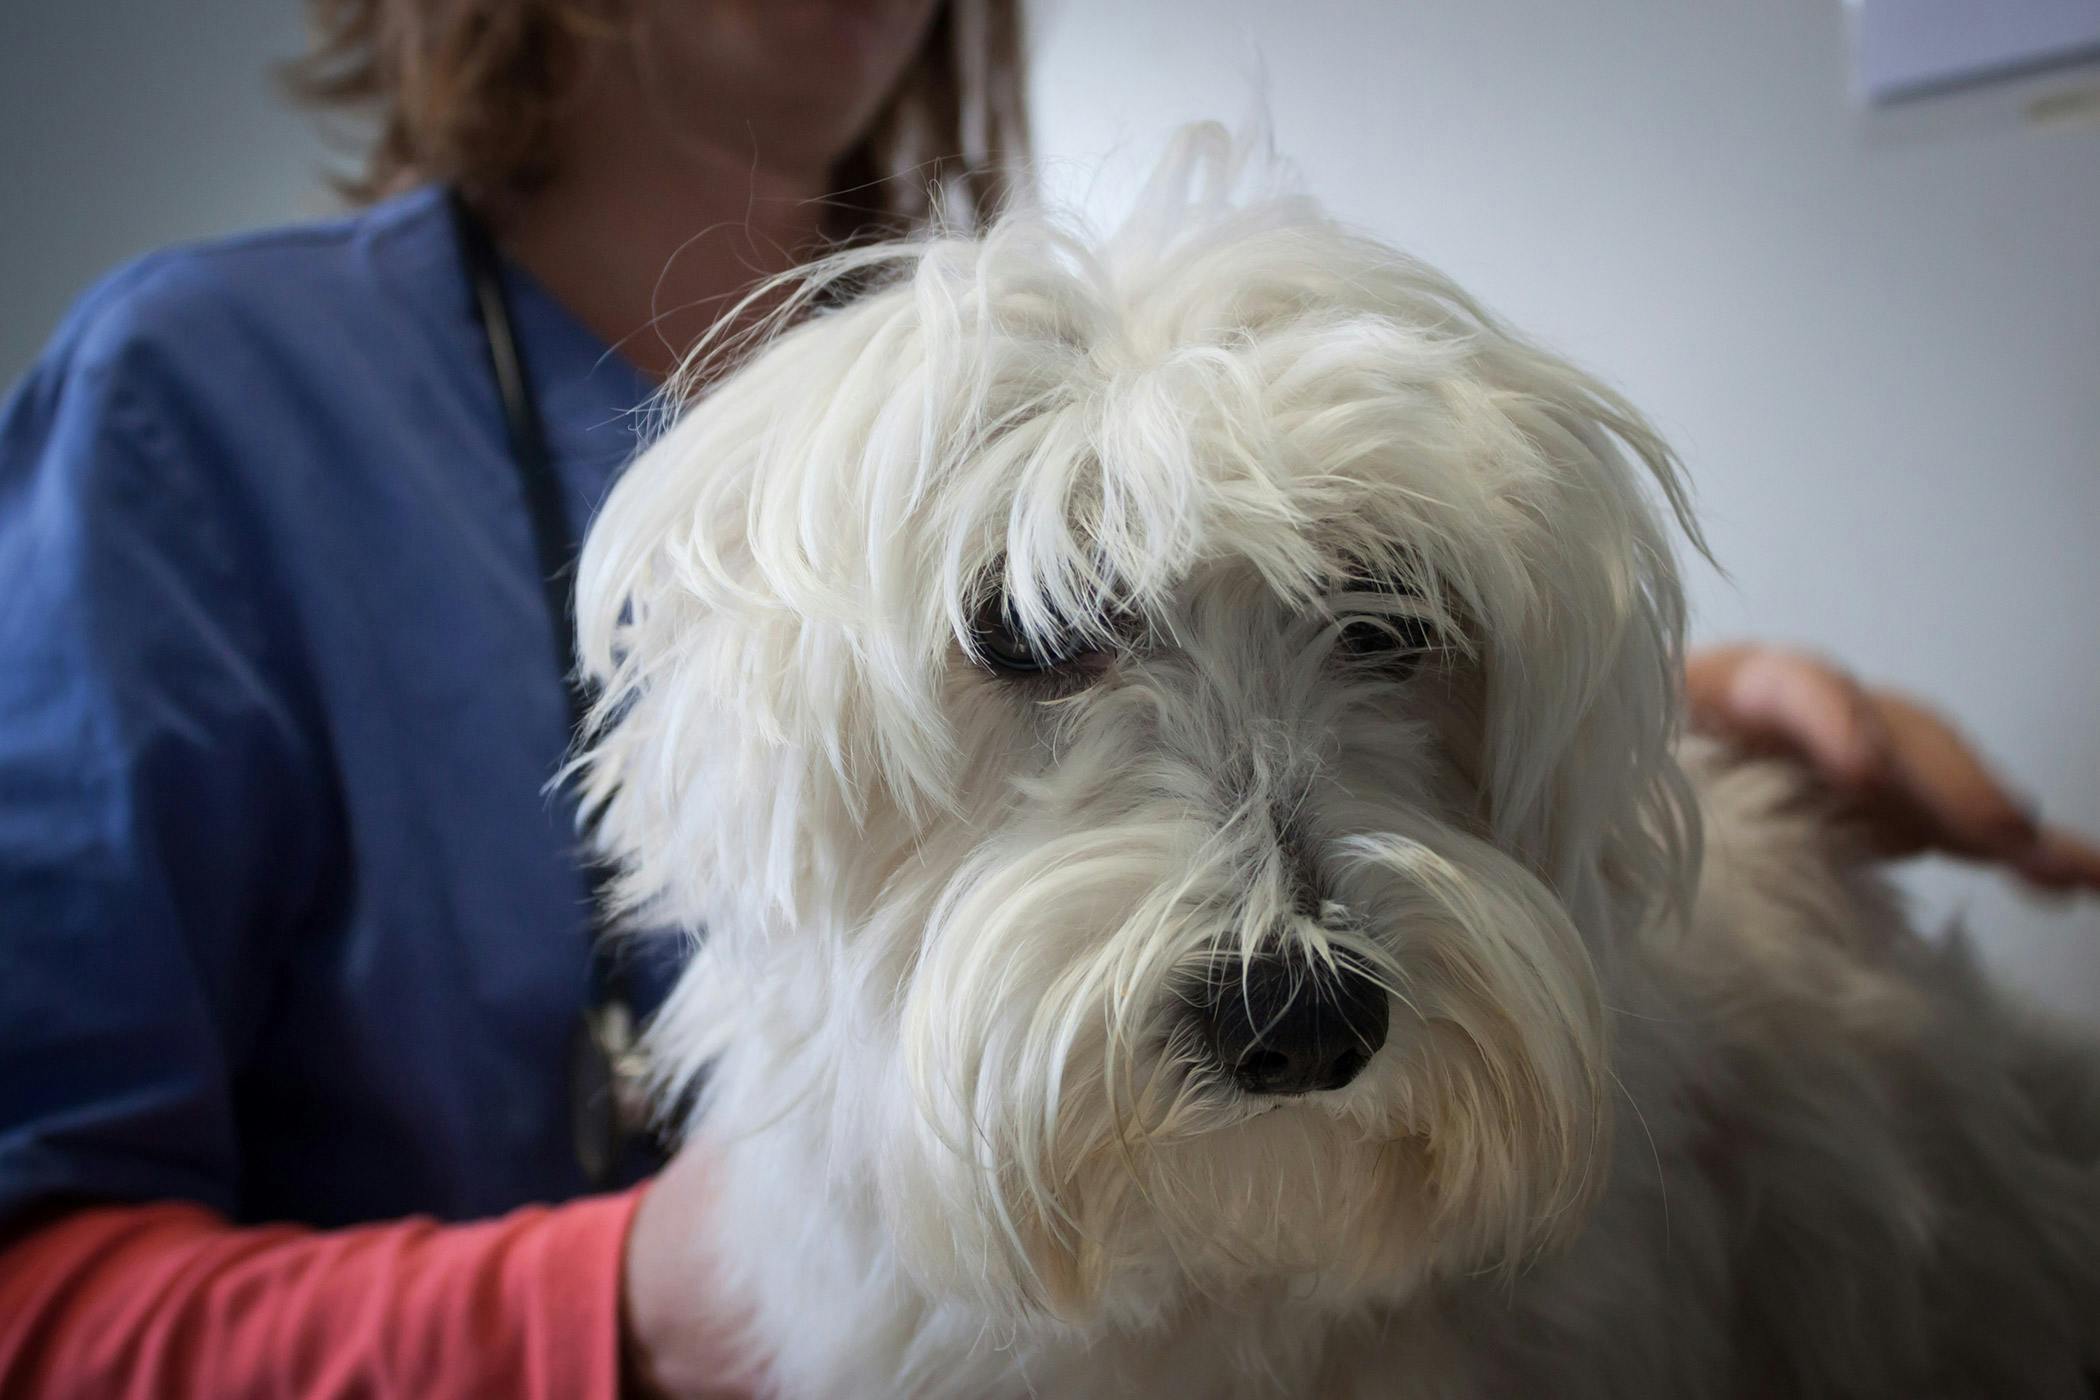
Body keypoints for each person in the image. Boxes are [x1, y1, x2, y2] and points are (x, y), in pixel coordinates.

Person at [0, 3, 2092, 1396]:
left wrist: (1673, 718)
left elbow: (1246, 720)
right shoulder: (209, 409)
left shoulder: (1123, 323)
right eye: (1031, 624)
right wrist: (648, 1303)